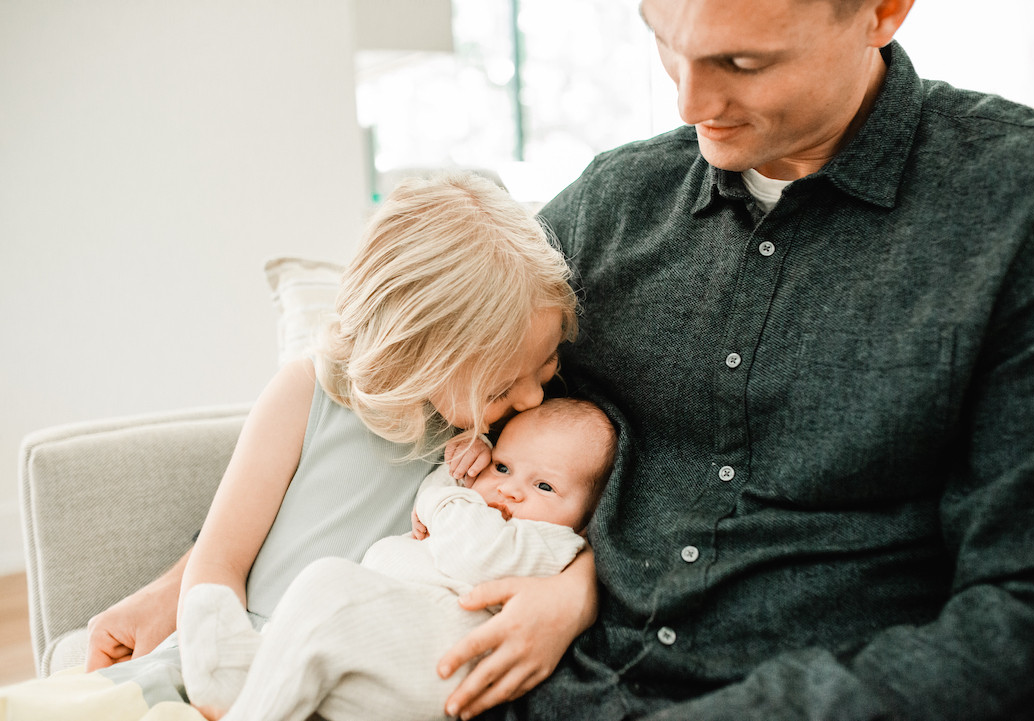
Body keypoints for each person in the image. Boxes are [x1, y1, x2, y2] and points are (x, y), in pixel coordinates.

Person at [459, 0, 1034, 720]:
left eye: (742, 63)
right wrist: (578, 573)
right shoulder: (609, 208)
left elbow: (1024, 604)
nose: (690, 103)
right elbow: (426, 376)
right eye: (666, 44)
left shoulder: (1031, 204)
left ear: (883, 12)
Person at [7, 172, 597, 718]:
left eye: (544, 366)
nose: (530, 399)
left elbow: (566, 526)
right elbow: (219, 560)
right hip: (237, 651)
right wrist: (215, 652)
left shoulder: (506, 444)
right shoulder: (308, 392)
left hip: (357, 672)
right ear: (418, 356)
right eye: (501, 385)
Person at [177, 397, 617, 721]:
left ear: (586, 520)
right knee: (218, 608)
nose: (509, 489)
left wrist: (447, 490)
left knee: (327, 585)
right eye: (501, 467)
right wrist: (459, 468)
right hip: (371, 653)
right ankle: (240, 679)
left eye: (544, 487)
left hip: (437, 663)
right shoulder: (480, 508)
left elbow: (473, 551)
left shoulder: (553, 544)